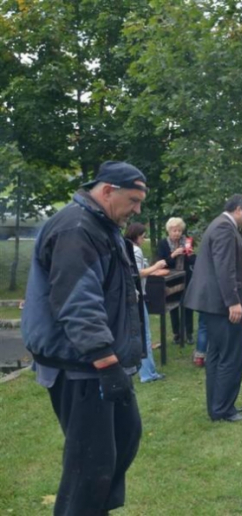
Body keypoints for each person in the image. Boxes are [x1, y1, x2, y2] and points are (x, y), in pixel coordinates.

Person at [22, 161, 148, 515]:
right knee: (89, 466)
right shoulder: (77, 229)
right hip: (80, 366)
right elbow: (78, 303)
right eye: (134, 200)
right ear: (108, 191)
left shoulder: (101, 225)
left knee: (124, 439)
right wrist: (106, 362)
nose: (137, 209)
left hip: (100, 362)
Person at [184, 194, 242, 422]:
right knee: (230, 357)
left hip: (212, 304)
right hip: (221, 305)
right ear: (239, 209)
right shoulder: (224, 228)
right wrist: (233, 302)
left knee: (215, 356)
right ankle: (224, 409)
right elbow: (225, 268)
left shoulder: (219, 225)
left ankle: (218, 407)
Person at [125, 223, 169, 383]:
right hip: (138, 296)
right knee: (145, 335)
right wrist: (155, 266)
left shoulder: (128, 248)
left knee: (141, 334)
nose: (144, 239)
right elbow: (137, 273)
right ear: (136, 235)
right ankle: (147, 374)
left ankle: (148, 371)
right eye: (143, 236)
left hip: (134, 296)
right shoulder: (134, 250)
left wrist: (153, 270)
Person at [157, 217, 194, 344]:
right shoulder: (163, 243)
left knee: (187, 304)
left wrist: (189, 255)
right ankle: (177, 333)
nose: (177, 233)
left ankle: (189, 333)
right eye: (174, 231)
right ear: (169, 231)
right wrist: (173, 254)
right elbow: (161, 263)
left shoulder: (186, 241)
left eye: (179, 230)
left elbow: (191, 262)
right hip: (171, 277)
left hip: (185, 276)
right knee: (173, 305)